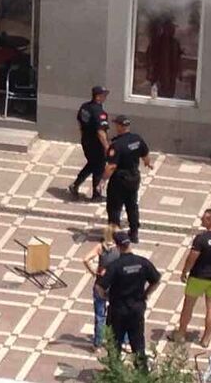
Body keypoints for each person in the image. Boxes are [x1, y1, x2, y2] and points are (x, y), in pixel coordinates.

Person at [96, 230, 161, 370]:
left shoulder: (115, 266)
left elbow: (99, 287)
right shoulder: (143, 262)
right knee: (138, 344)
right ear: (129, 244)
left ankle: (115, 373)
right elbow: (156, 280)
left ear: (117, 246)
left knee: (115, 344)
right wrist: (146, 294)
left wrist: (106, 297)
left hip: (118, 310)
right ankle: (142, 374)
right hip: (137, 309)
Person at [175, 209, 211, 347]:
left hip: (198, 277)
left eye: (203, 218)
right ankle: (206, 339)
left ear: (210, 220)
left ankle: (181, 334)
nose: (201, 220)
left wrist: (184, 271)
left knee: (188, 305)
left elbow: (192, 257)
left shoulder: (201, 238)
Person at [101, 115, 152, 243]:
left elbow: (111, 166)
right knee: (132, 206)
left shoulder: (117, 144)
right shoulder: (137, 139)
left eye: (116, 125)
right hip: (134, 178)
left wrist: (102, 180)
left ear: (119, 126)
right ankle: (134, 233)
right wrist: (147, 163)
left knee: (114, 208)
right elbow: (146, 155)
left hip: (119, 180)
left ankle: (114, 234)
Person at [69, 86, 111, 201]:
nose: (105, 97)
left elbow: (79, 121)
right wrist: (107, 147)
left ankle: (75, 184)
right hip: (95, 144)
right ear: (97, 96)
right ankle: (96, 195)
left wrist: (83, 134)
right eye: (103, 95)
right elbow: (100, 132)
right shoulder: (99, 112)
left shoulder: (85, 107)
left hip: (86, 141)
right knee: (99, 167)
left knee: (92, 164)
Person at [82, 223, 120, 348]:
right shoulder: (120, 248)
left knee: (100, 315)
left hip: (100, 283)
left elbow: (85, 259)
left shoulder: (100, 247)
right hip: (115, 285)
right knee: (120, 313)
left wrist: (93, 271)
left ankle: (97, 343)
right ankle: (122, 341)